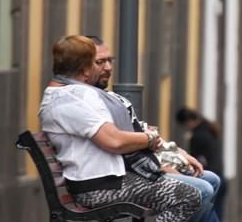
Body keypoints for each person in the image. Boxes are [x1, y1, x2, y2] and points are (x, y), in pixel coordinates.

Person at [38, 35, 201, 222]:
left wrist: (154, 144)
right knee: (187, 195)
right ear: (83, 68)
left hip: (110, 181)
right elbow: (113, 141)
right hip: (99, 188)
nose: (105, 68)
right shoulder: (70, 100)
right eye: (97, 63)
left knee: (190, 189)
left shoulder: (71, 95)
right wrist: (148, 138)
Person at [89, 37, 221, 208]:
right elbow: (123, 146)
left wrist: (180, 155)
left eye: (110, 60)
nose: (108, 67)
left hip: (139, 167)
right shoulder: (89, 102)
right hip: (116, 179)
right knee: (201, 189)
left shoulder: (113, 99)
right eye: (100, 62)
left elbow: (142, 134)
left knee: (211, 180)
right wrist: (159, 166)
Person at [176, 107, 228, 222]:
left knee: (207, 220)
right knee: (217, 219)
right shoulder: (209, 129)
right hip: (221, 177)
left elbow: (195, 161)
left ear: (188, 122)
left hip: (210, 179)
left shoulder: (198, 136)